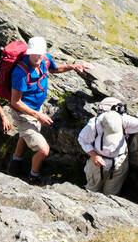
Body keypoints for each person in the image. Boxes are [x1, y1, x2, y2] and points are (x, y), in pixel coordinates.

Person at [7, 36, 90, 185]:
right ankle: (34, 176)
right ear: (29, 53)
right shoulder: (21, 73)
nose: (38, 57)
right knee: (43, 150)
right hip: (23, 115)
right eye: (35, 54)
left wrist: (73, 66)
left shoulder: (45, 60)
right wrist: (38, 115)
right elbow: (15, 102)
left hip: (35, 110)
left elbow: (54, 68)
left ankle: (15, 163)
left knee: (25, 135)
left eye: (40, 53)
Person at [78, 98, 138, 195]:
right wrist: (94, 156)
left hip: (119, 162)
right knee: (92, 191)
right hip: (97, 164)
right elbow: (83, 140)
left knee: (111, 195)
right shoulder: (93, 125)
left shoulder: (124, 120)